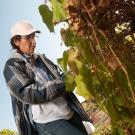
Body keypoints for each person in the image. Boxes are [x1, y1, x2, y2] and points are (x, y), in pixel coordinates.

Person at [3, 20, 92, 135]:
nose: (34, 41)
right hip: (47, 119)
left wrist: (73, 72)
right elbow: (28, 93)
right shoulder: (11, 66)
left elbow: (60, 78)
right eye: (28, 37)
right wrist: (64, 81)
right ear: (16, 41)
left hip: (68, 111)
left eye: (34, 37)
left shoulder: (43, 60)